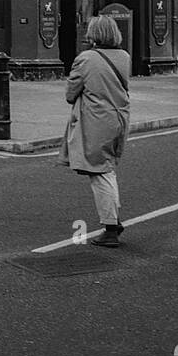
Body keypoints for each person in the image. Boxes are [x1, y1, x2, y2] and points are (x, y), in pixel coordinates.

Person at [57, 14, 131, 248]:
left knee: (100, 173)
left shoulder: (86, 59)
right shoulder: (124, 56)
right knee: (106, 169)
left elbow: (71, 94)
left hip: (97, 121)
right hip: (119, 118)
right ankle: (114, 220)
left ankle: (111, 228)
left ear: (93, 34)